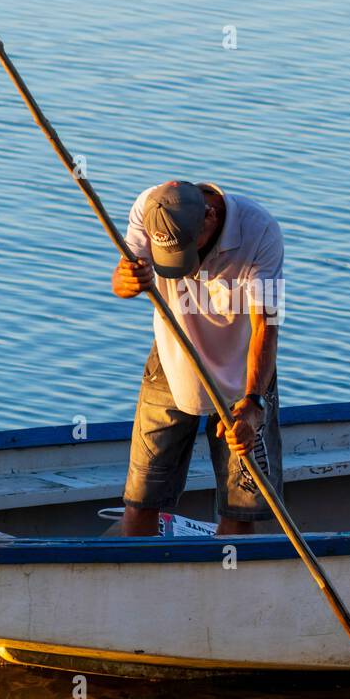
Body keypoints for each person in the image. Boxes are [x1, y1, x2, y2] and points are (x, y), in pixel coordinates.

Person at [112, 179, 285, 536]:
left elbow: (265, 327)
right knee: (141, 501)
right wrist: (128, 281)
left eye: (187, 253)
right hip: (171, 359)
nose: (184, 269)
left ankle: (228, 585)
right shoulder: (149, 207)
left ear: (209, 216)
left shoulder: (260, 231)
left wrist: (253, 403)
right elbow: (120, 281)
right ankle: (140, 581)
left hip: (244, 373)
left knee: (241, 511)